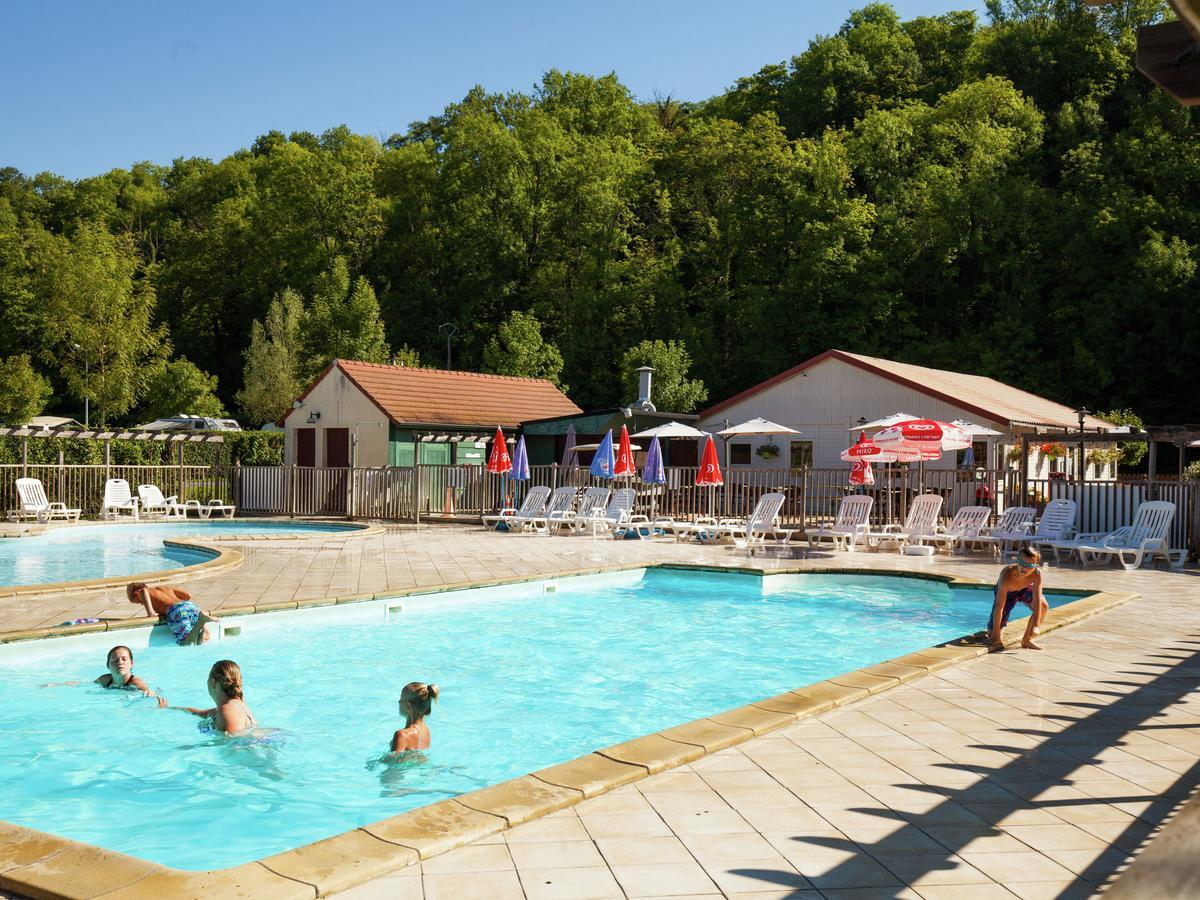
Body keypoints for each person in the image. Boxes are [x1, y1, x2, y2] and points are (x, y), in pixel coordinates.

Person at [988, 545, 1049, 650]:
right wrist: (995, 636)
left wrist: (1036, 625)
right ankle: (993, 631)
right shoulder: (1007, 575)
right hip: (1008, 593)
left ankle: (1027, 640)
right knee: (992, 632)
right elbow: (999, 606)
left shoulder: (1037, 574)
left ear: (1036, 565)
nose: (1024, 568)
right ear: (1017, 560)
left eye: (1029, 565)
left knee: (1043, 605)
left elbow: (1037, 598)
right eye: (1022, 563)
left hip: (1024, 588)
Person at [173, 660, 257, 735]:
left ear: (212, 682)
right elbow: (198, 712)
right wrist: (169, 707)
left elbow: (234, 745)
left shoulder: (227, 711)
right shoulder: (231, 707)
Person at [127, 582, 219, 646]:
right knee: (196, 642)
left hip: (177, 610)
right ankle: (203, 627)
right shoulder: (163, 588)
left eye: (139, 602)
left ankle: (201, 621)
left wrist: (150, 612)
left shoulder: (144, 591)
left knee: (185, 643)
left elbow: (143, 592)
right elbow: (187, 596)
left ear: (136, 593)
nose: (142, 603)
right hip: (191, 606)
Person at [95, 645, 167, 706]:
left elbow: (149, 694)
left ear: (131, 663)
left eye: (124, 659)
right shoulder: (104, 680)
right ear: (108, 665)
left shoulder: (137, 684)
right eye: (115, 660)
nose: (120, 662)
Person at [390, 682, 438, 753]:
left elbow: (393, 762)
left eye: (401, 698)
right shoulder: (426, 731)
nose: (399, 701)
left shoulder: (402, 735)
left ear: (408, 706)